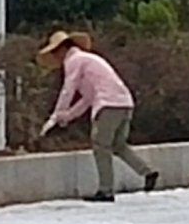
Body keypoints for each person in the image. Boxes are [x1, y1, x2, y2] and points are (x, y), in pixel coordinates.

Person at [37, 28, 154, 202]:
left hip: (108, 105)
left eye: (55, 52)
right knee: (118, 145)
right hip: (125, 103)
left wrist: (55, 116)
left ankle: (106, 190)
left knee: (100, 145)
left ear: (62, 49)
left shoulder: (74, 61)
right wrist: (66, 116)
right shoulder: (89, 59)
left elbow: (68, 89)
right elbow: (87, 98)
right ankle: (147, 172)